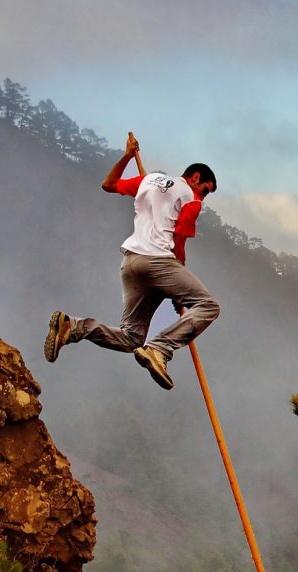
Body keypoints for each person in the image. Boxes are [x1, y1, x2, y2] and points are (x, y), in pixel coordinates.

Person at [44, 133, 219, 390]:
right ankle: (160, 350)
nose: (203, 198)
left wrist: (127, 155)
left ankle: (73, 326)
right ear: (195, 178)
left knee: (131, 339)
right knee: (208, 306)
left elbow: (109, 183)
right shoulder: (191, 200)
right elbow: (178, 242)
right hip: (158, 261)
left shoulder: (149, 180)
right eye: (205, 191)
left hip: (131, 263)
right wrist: (177, 284)